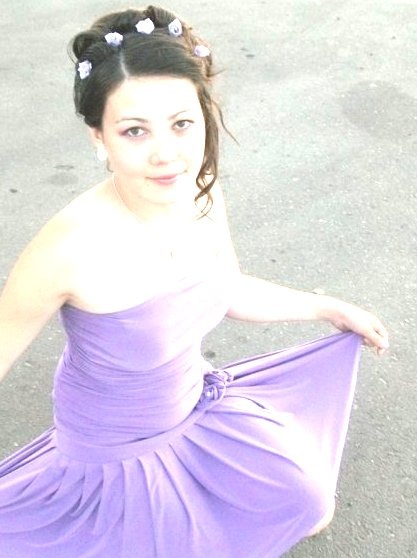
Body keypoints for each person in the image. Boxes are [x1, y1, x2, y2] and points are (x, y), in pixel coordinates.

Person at [0, 5, 389, 558]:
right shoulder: (66, 250)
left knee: (309, 506)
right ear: (99, 138)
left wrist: (330, 309)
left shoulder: (198, 192)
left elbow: (227, 288)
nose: (166, 154)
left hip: (195, 406)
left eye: (181, 124)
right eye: (135, 131)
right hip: (113, 452)